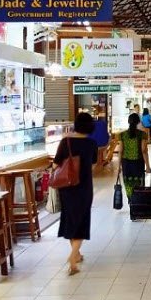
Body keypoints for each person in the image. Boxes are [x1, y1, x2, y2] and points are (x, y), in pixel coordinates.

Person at [52, 112, 98, 275]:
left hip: (67, 187)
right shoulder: (92, 144)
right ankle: (73, 256)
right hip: (84, 187)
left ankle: (76, 254)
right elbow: (93, 165)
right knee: (82, 219)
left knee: (71, 218)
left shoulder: (66, 142)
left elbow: (55, 164)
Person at [116, 113, 151, 202]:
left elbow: (120, 150)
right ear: (138, 122)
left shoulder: (122, 134)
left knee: (128, 183)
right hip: (138, 162)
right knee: (138, 182)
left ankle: (130, 200)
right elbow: (144, 150)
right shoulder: (142, 134)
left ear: (128, 121)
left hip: (126, 163)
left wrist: (118, 166)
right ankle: (138, 201)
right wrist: (147, 166)